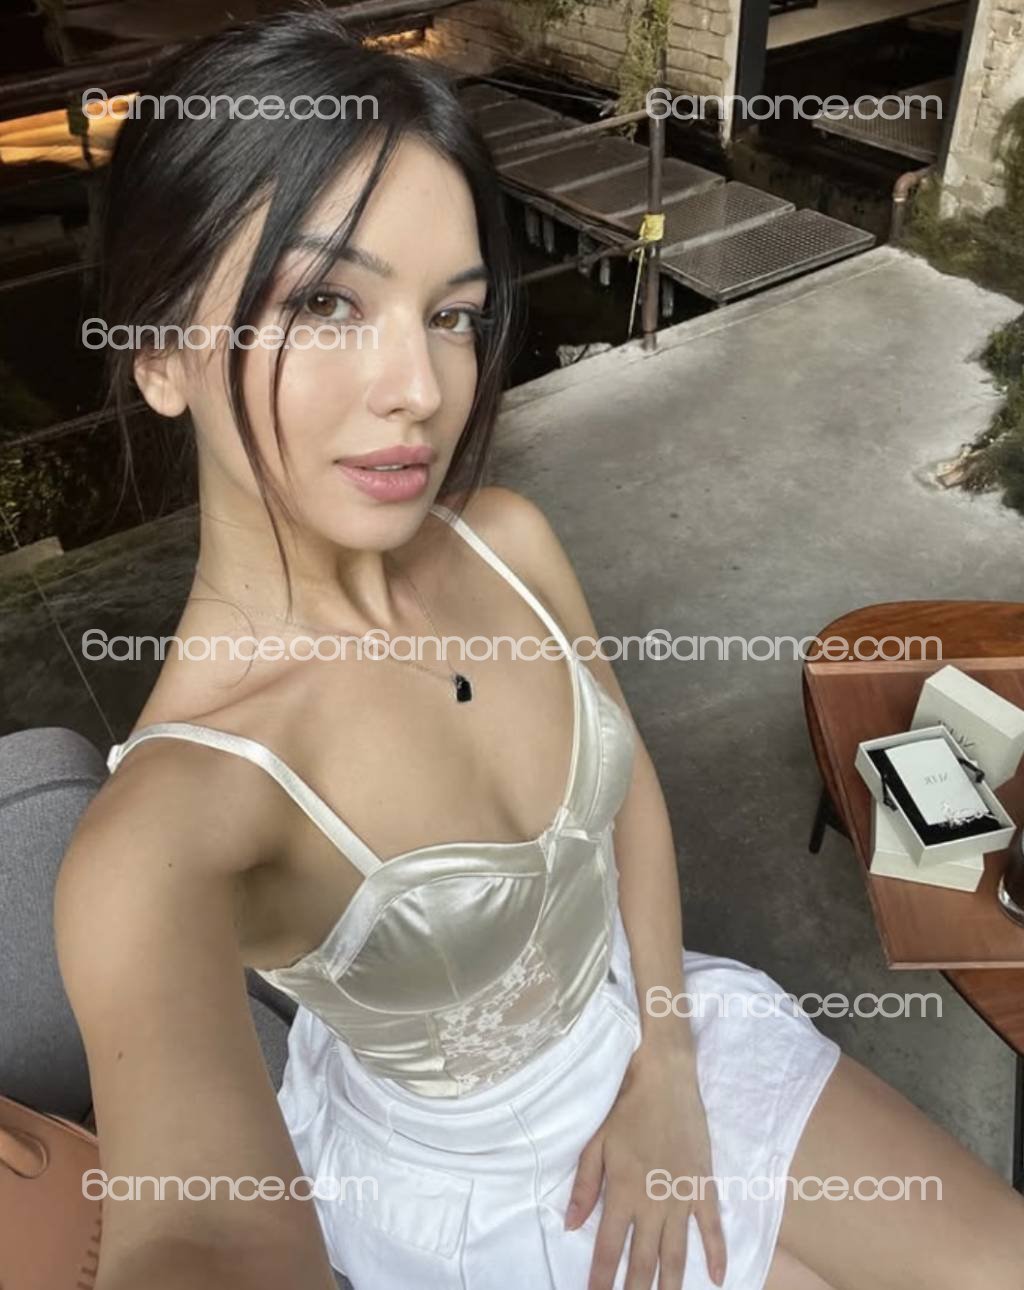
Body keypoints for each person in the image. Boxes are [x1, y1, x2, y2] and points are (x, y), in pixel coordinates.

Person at [54, 8, 1024, 1290]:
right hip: (481, 1202)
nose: (420, 388)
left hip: (660, 1027)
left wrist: (663, 1061)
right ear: (161, 353)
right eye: (327, 302)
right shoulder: (168, 827)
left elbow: (627, 802)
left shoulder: (506, 540)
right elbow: (203, 1234)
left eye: (452, 315)